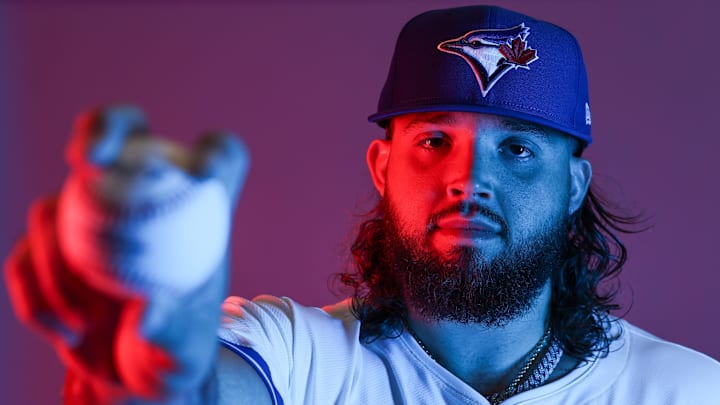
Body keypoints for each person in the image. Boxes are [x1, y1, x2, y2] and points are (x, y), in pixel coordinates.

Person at [5, 5, 720, 405]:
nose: (468, 178)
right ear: (382, 166)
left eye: (518, 149)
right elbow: (194, 387)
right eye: (435, 138)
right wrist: (131, 375)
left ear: (573, 187)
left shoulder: (687, 392)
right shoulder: (293, 357)